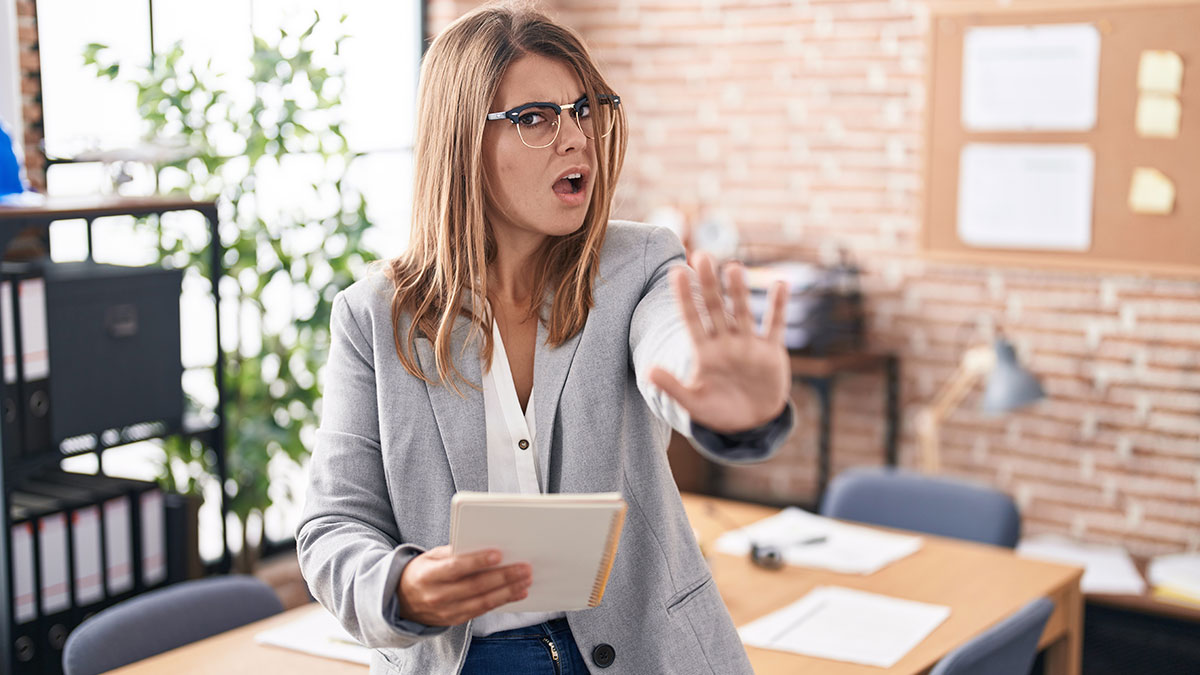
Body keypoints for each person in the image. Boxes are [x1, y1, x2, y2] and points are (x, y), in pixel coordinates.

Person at [296, 3, 795, 673]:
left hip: (648, 651)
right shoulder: (371, 318)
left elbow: (672, 352)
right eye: (535, 118)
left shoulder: (641, 264)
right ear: (462, 140)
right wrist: (403, 587)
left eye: (584, 109)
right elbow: (334, 525)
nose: (576, 137)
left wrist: (732, 410)